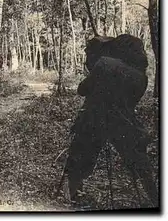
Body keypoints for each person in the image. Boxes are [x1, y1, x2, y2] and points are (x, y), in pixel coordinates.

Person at [64, 34, 157, 207]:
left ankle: (72, 191)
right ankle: (154, 197)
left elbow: (83, 89)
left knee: (81, 154)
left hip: (95, 119)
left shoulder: (105, 63)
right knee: (140, 163)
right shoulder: (142, 78)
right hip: (124, 124)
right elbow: (131, 102)